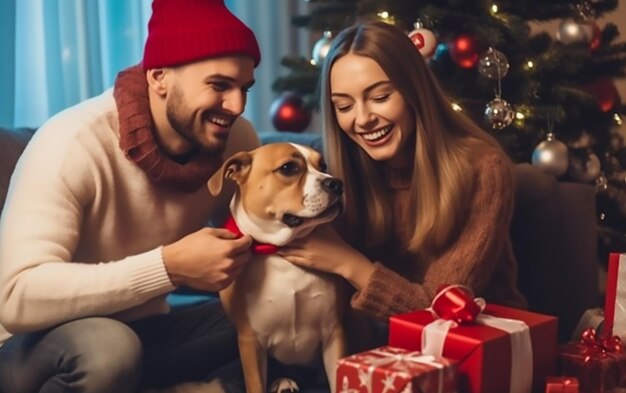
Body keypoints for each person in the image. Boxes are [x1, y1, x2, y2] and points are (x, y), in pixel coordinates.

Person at [0, 0, 262, 392]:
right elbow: (16, 296)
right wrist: (168, 267)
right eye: (219, 85)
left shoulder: (235, 140)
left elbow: (256, 233)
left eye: (243, 88)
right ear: (159, 77)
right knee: (108, 348)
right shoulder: (71, 144)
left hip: (147, 332)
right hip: (33, 344)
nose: (237, 106)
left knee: (274, 314)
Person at [280, 20, 527, 348]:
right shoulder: (336, 172)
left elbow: (443, 312)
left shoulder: (483, 169)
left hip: (478, 348)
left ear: (413, 90)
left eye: (380, 97)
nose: (363, 118)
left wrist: (346, 262)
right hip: (381, 351)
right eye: (344, 106)